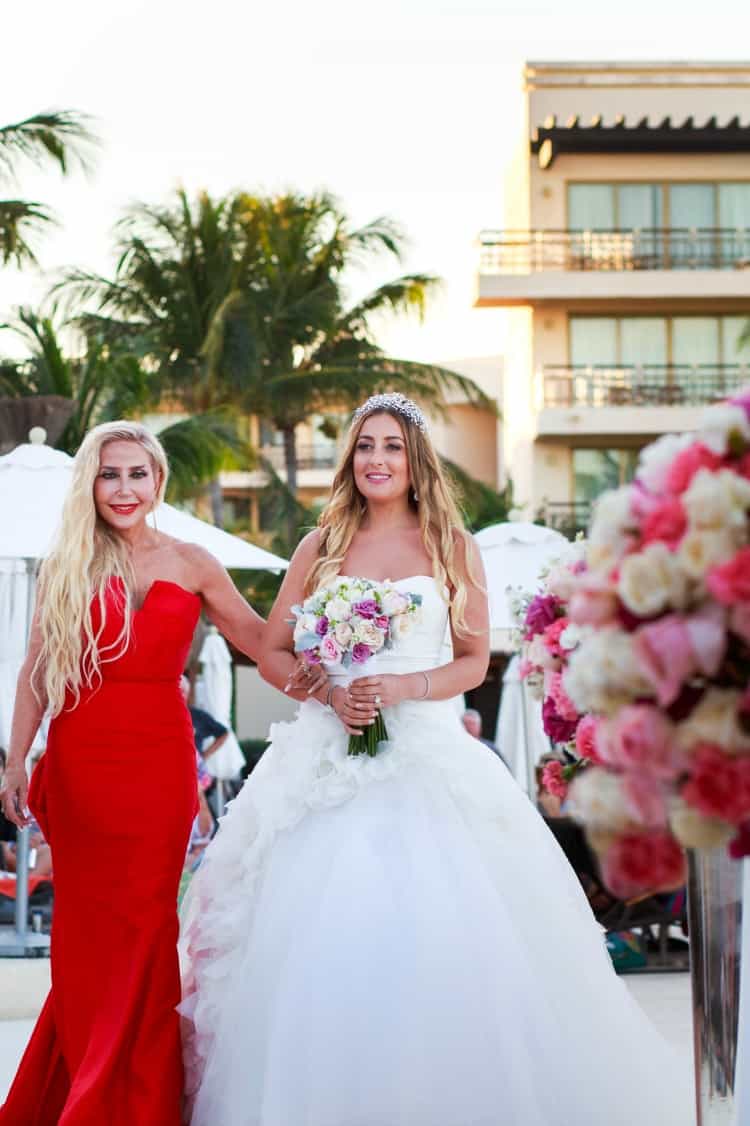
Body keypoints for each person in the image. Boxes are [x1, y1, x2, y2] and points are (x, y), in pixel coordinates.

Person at [179, 393, 693, 1126]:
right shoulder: (318, 545)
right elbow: (270, 651)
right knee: (320, 940)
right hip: (324, 762)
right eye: (364, 447)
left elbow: (474, 657)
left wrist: (405, 686)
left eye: (391, 447)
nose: (376, 460)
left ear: (416, 463)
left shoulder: (452, 544)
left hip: (427, 751)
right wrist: (328, 695)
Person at [0, 420, 320, 1126]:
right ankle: (88, 1087)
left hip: (160, 768)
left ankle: (137, 1098)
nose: (123, 488)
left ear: (159, 481)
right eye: (110, 474)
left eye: (136, 474)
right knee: (87, 934)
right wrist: (17, 758)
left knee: (147, 927)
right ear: (91, 483)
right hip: (83, 761)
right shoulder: (68, 565)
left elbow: (259, 641)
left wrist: (339, 665)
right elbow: (34, 671)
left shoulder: (195, 561)